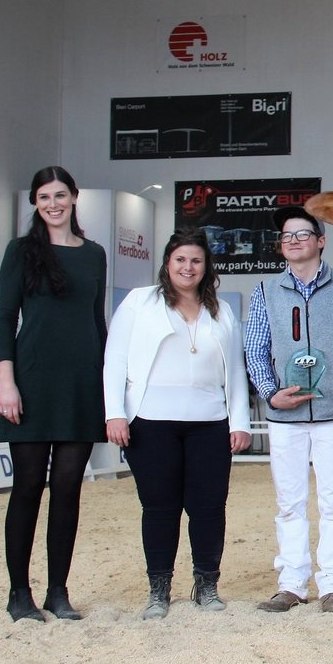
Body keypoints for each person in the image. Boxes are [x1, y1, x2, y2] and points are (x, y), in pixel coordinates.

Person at [105, 229, 252, 620]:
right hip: (150, 422)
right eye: (181, 260)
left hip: (209, 423)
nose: (188, 267)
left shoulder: (222, 310)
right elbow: (115, 359)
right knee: (159, 508)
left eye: (196, 261)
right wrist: (114, 412)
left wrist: (240, 422)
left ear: (207, 267)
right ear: (168, 264)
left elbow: (234, 369)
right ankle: (159, 588)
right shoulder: (140, 302)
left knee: (209, 508)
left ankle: (207, 584)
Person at [245, 206, 333, 615]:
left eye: (303, 234)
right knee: (289, 501)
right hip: (284, 417)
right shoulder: (265, 291)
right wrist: (270, 393)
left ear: (321, 241)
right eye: (287, 237)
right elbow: (254, 349)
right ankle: (291, 583)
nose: (294, 241)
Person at [0, 166, 107, 623]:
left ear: (75, 198)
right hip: (32, 382)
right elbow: (4, 320)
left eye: (60, 194)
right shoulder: (21, 251)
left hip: (82, 383)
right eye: (44, 197)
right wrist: (7, 382)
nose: (53, 203)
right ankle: (19, 592)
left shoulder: (95, 254)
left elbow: (96, 322)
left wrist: (107, 384)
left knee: (67, 491)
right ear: (36, 203)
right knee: (26, 489)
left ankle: (58, 590)